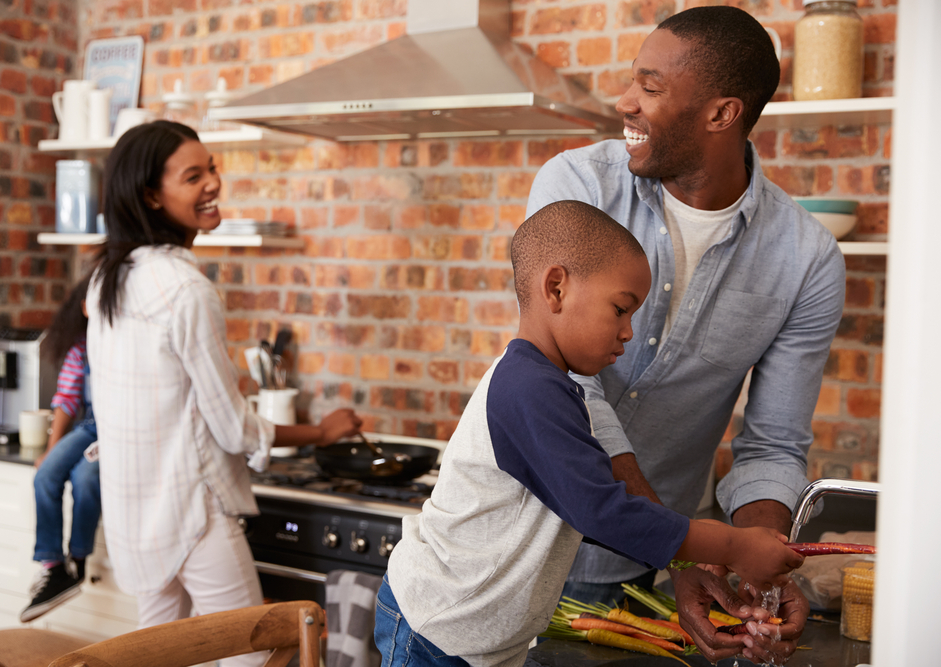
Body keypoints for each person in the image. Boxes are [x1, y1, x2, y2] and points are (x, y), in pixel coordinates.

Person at [525, 6, 846, 664]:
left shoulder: (806, 258)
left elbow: (772, 444)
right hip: (523, 555)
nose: (624, 101)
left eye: (649, 86)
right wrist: (679, 544)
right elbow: (567, 386)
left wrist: (757, 571)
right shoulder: (577, 188)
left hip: (652, 579)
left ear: (721, 113)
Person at [374, 200, 804, 667]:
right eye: (621, 309)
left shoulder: (552, 387)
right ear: (556, 288)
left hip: (477, 638)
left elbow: (592, 503)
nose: (628, 332)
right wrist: (735, 546)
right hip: (435, 631)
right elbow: (602, 512)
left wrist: (685, 561)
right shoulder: (528, 389)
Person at [85, 120, 362, 667]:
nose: (213, 183)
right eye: (194, 176)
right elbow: (233, 428)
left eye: (212, 167)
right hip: (192, 513)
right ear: (151, 195)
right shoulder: (188, 290)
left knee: (155, 658)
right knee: (259, 655)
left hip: (135, 515)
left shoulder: (107, 281)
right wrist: (321, 431)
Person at [20, 274, 101, 623]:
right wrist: (51, 451)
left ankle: (78, 561)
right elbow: (67, 400)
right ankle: (53, 566)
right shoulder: (81, 349)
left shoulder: (125, 346)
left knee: (86, 478)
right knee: (46, 476)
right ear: (84, 307)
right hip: (90, 426)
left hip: (118, 431)